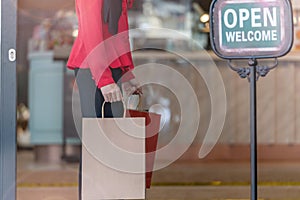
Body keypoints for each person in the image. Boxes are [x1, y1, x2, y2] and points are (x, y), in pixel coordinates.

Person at [66, 0, 139, 199]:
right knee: (95, 141)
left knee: (114, 140)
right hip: (93, 68)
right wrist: (104, 78)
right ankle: (91, 195)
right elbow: (91, 32)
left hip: (112, 68)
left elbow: (120, 30)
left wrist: (126, 72)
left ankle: (113, 193)